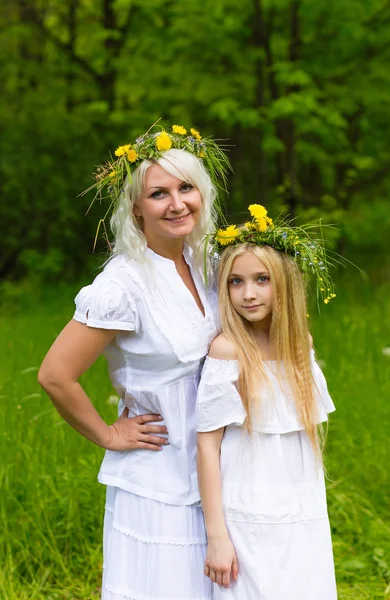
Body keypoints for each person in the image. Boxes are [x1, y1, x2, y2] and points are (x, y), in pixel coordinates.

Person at [38, 124, 231, 600]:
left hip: (221, 466)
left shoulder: (207, 262)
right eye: (159, 193)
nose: (177, 203)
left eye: (186, 188)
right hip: (158, 477)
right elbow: (55, 375)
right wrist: (108, 434)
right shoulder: (122, 284)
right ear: (135, 207)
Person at [196, 204, 337, 599]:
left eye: (262, 279)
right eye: (236, 282)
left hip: (300, 496)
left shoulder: (298, 344)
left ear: (284, 283)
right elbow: (208, 445)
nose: (249, 293)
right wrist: (217, 536)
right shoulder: (228, 351)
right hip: (248, 502)